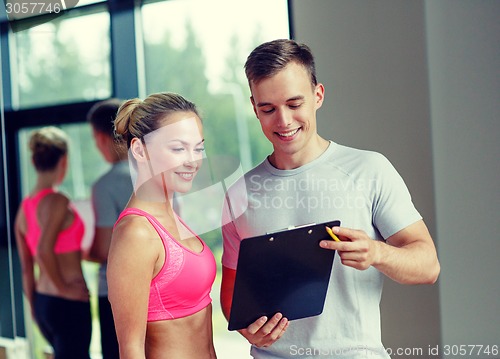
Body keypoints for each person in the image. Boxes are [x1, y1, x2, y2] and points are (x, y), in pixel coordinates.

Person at [220, 39, 440, 358]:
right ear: (254, 108)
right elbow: (231, 295)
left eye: (295, 104)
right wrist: (245, 327)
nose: (283, 121)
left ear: (318, 95)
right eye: (268, 109)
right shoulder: (238, 194)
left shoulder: (369, 169)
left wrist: (377, 252)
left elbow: (428, 265)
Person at [107, 92, 217, 359]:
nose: (192, 160)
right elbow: (131, 349)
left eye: (198, 148)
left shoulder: (173, 216)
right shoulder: (136, 233)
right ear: (139, 149)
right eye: (179, 148)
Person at [14, 126, 91, 359]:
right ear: (64, 161)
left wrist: (35, 309)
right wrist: (64, 288)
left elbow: (27, 267)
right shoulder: (57, 201)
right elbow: (43, 250)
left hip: (44, 302)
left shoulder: (23, 209)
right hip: (67, 302)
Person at [87, 98, 132, 359]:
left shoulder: (105, 185)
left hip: (116, 295)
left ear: (102, 138)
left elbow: (104, 249)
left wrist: (81, 253)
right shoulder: (159, 175)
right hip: (159, 290)